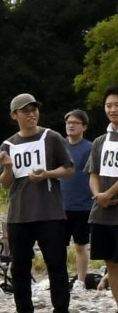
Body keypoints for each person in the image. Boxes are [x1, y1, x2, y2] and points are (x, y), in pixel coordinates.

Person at [0, 92, 74, 313]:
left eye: (34, 110)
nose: (31, 114)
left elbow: (69, 169)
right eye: (25, 111)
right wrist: (8, 168)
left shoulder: (51, 137)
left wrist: (48, 174)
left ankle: (61, 311)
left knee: (56, 263)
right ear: (14, 115)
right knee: (19, 266)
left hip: (50, 212)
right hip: (19, 214)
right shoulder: (8, 145)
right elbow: (4, 182)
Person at [90, 85, 118, 313]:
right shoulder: (101, 140)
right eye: (109, 105)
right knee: (110, 261)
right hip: (103, 211)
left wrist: (109, 194)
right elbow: (93, 173)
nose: (113, 110)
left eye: (117, 105)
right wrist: (99, 195)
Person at [63, 108, 95, 289]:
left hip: (83, 205)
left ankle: (81, 281)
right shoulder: (59, 146)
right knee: (57, 246)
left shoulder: (91, 147)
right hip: (59, 205)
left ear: (84, 127)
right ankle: (59, 278)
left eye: (75, 123)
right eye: (68, 123)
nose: (71, 126)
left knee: (80, 245)